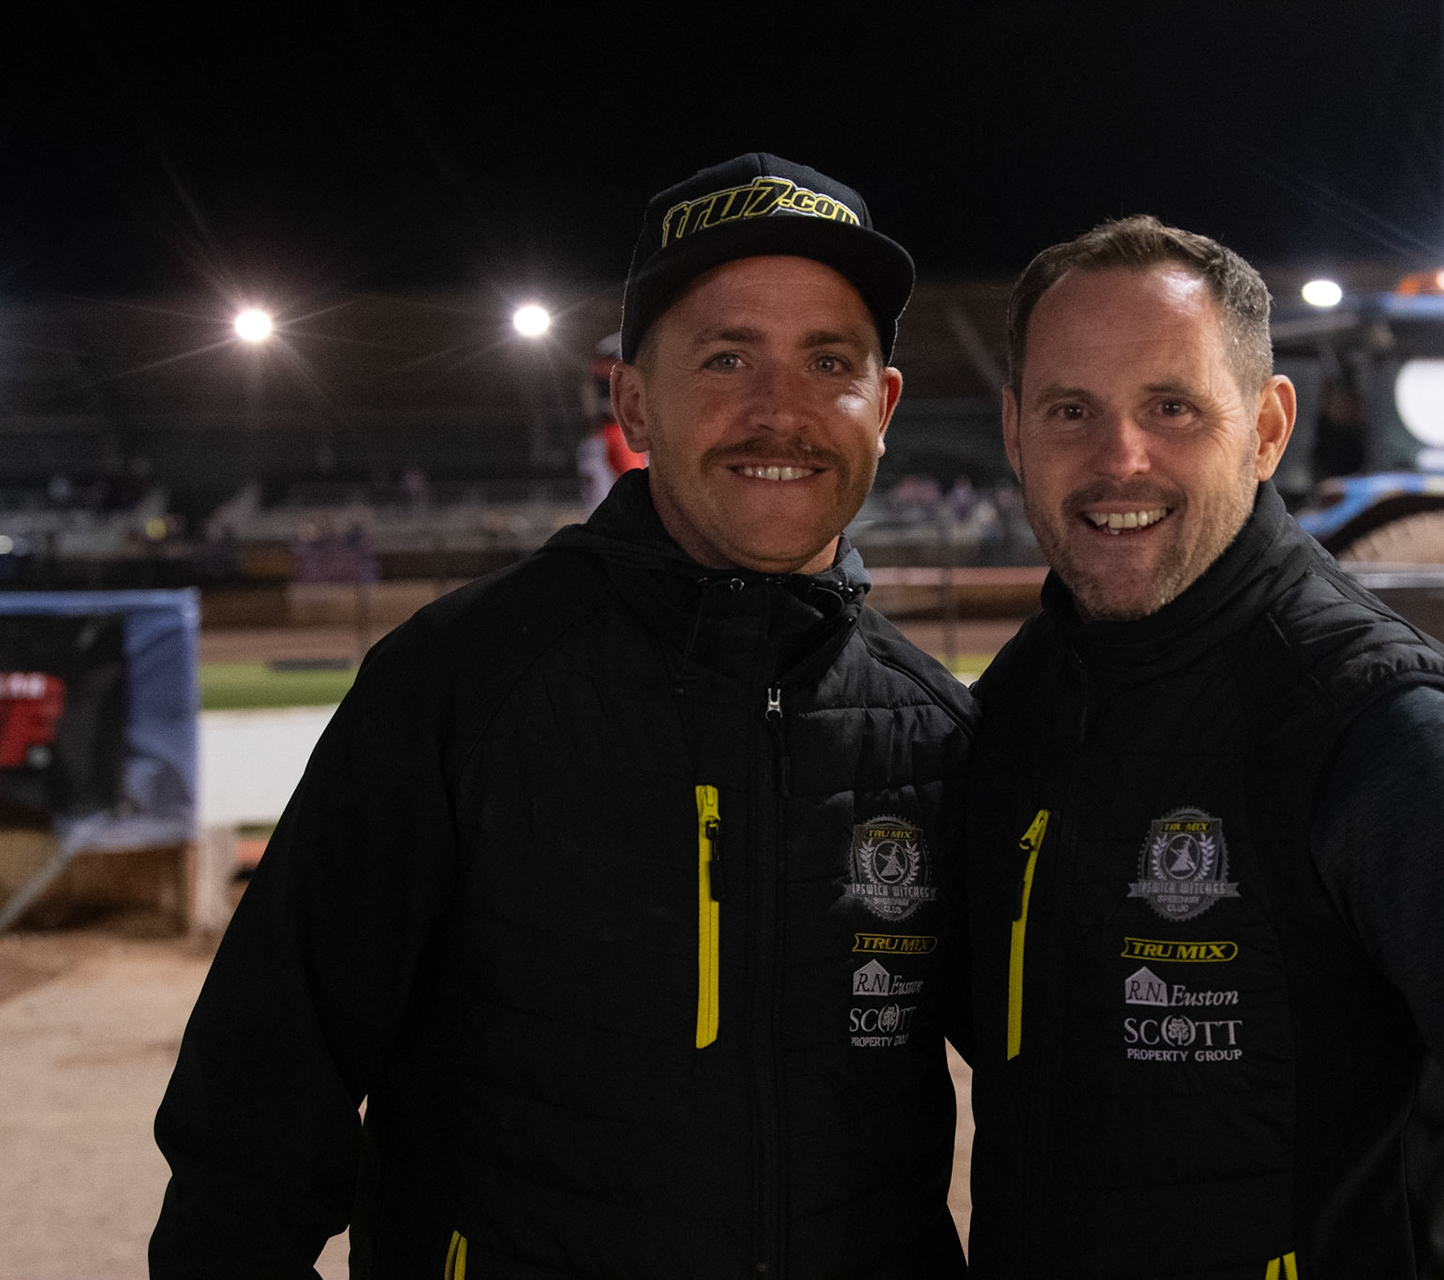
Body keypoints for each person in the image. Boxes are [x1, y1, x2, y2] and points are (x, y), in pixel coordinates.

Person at [151, 154, 976, 1279]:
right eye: (726, 356)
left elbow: (1082, 1097)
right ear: (633, 402)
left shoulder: (940, 732)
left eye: (828, 362)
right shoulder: (455, 685)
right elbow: (255, 1110)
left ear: (881, 407)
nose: (779, 411)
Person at [964, 216, 1444, 1279]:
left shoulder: (1380, 727)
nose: (1120, 459)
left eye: (1172, 407)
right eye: (1072, 410)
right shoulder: (1019, 704)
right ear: (1016, 431)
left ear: (1266, 428)